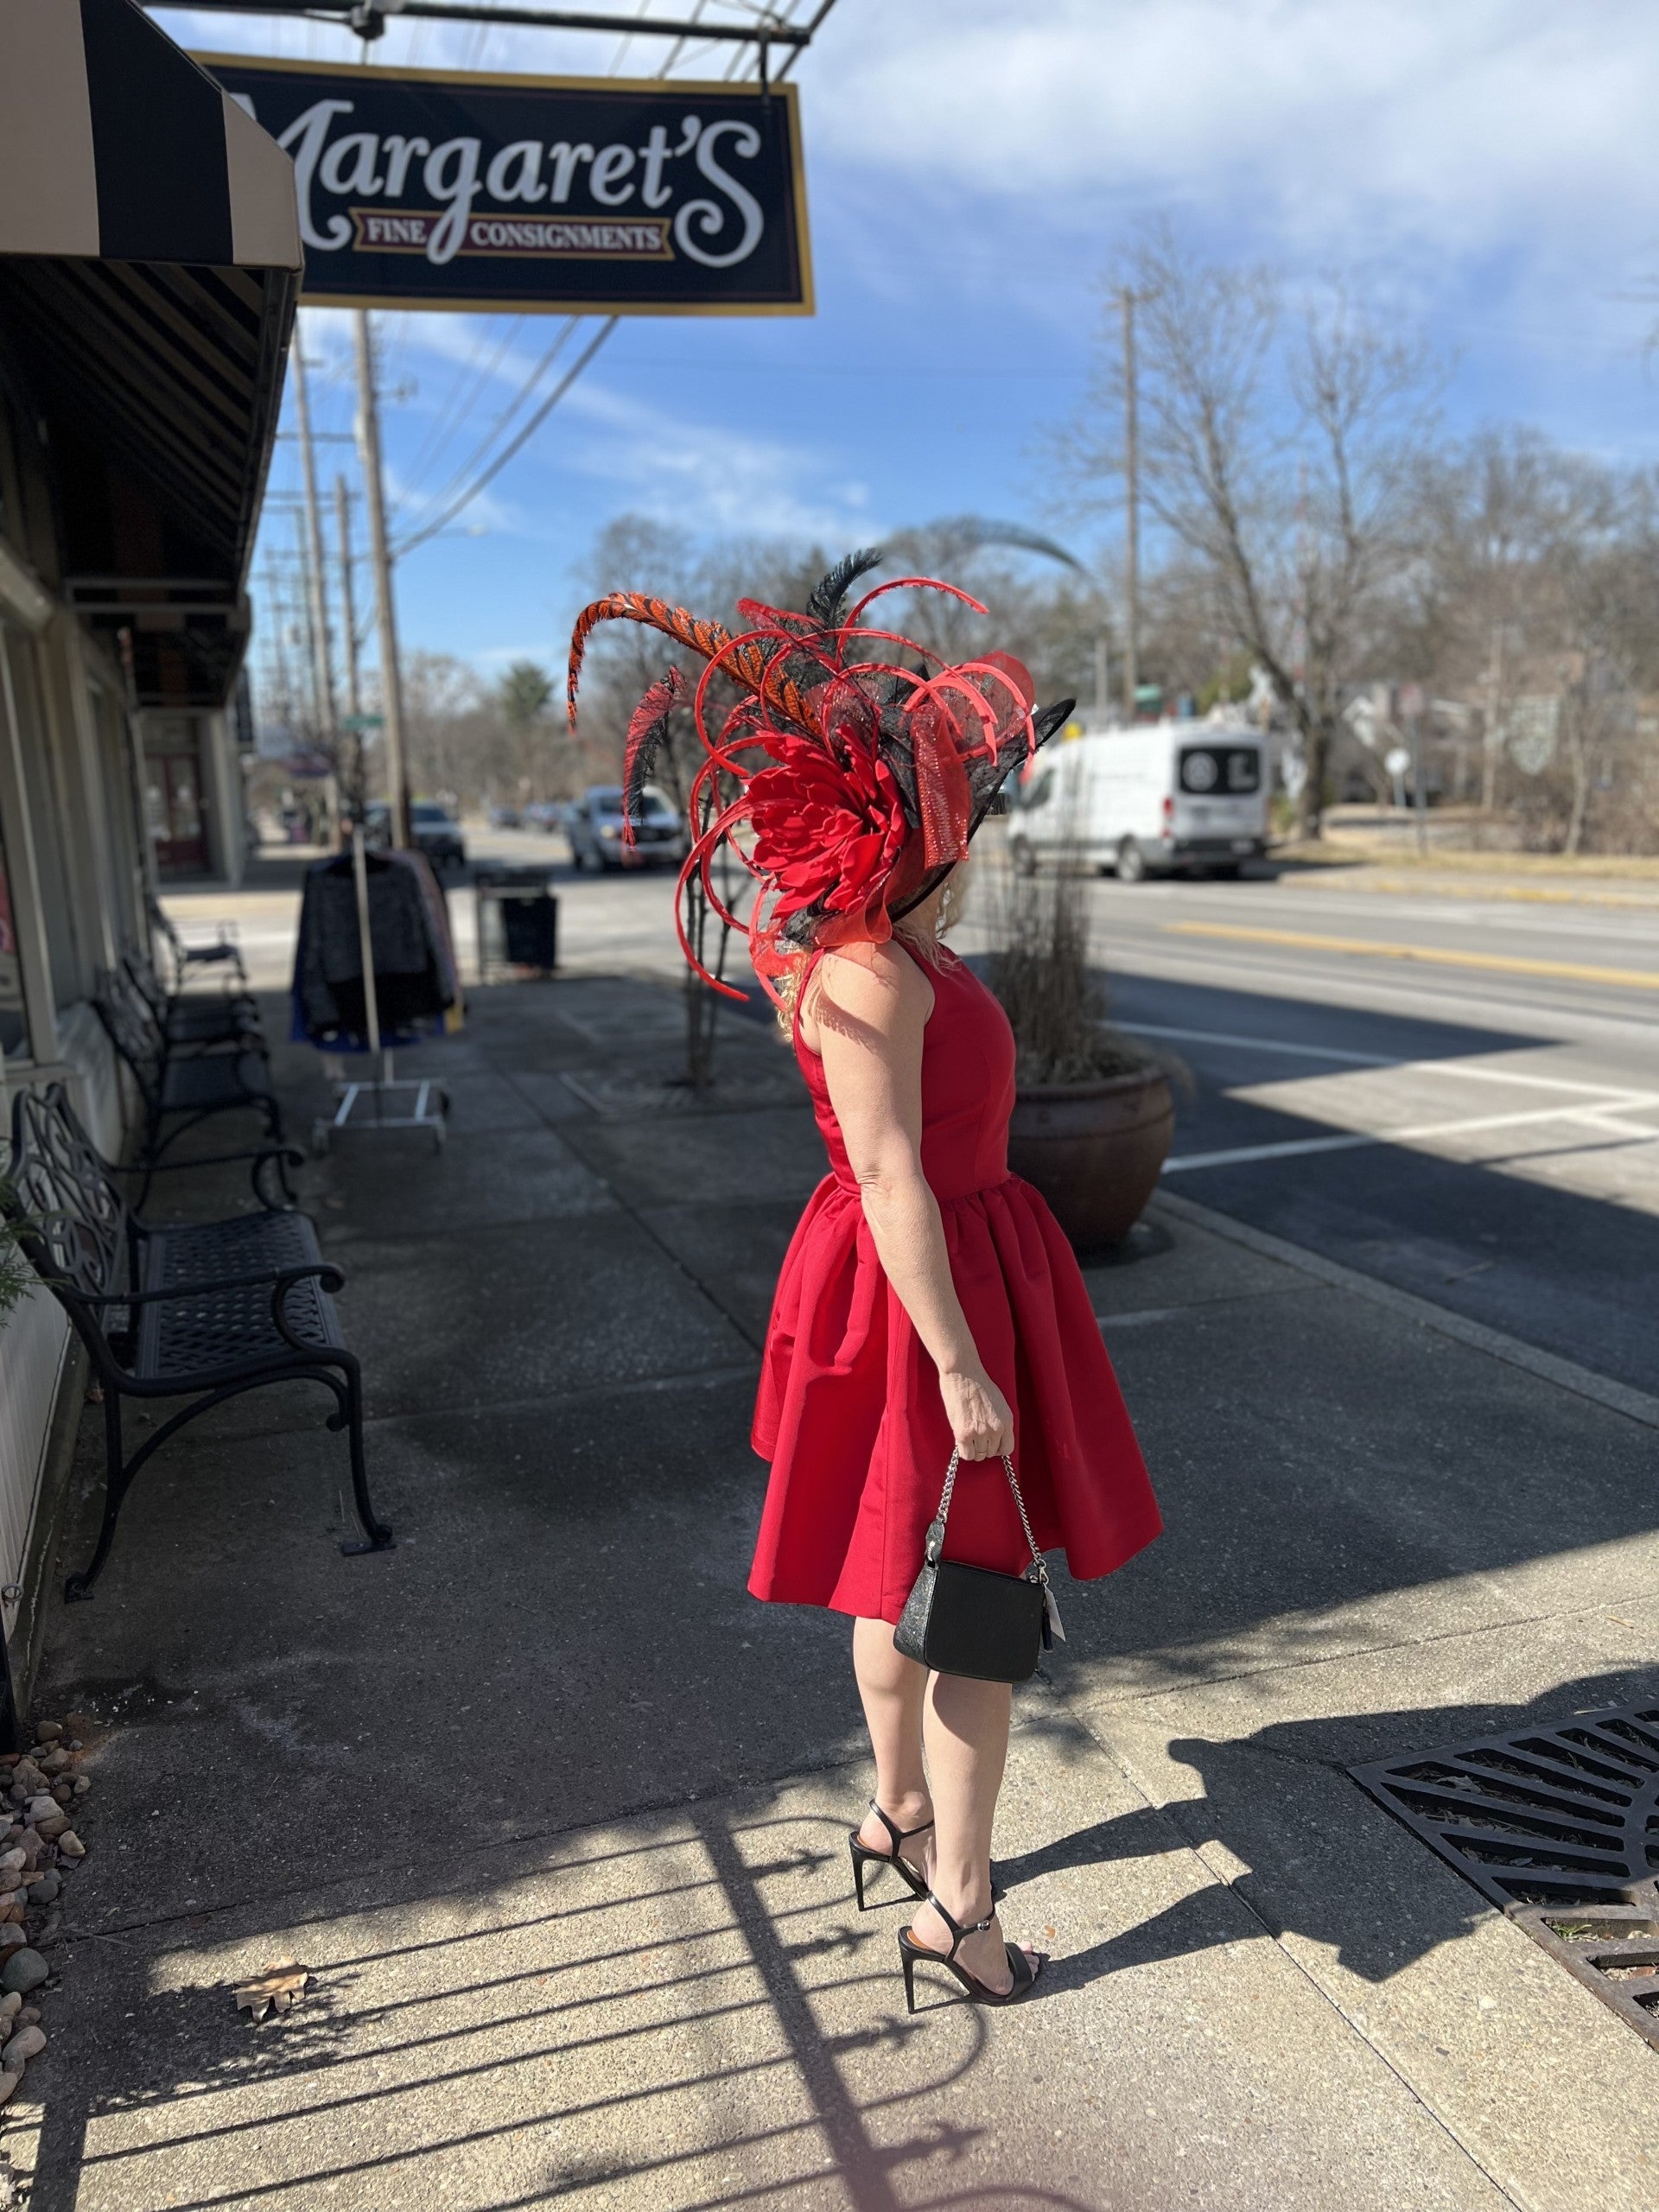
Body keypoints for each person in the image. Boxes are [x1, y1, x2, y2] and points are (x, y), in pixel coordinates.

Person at [567, 556, 1161, 2008]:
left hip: (939, 1265)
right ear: (920, 824)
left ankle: (896, 1815)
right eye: (972, 801)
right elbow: (893, 1172)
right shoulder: (870, 974)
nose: (987, 821)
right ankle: (961, 1912)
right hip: (929, 1285)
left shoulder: (881, 947)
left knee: (895, 1572)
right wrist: (962, 1362)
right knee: (973, 1601)